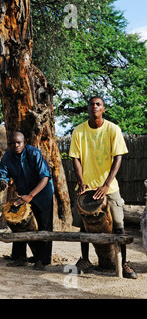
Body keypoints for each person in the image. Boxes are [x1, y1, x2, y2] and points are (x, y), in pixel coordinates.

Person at [69, 96, 137, 279]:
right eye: (91, 104)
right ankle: (84, 259)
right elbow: (75, 158)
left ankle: (124, 263)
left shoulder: (113, 129)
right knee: (83, 226)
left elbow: (118, 157)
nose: (94, 107)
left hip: (109, 187)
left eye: (98, 104)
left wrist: (106, 185)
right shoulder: (79, 131)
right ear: (88, 109)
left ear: (104, 109)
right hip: (87, 188)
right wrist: (81, 181)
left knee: (119, 226)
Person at [0, 131, 54, 270]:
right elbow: (2, 174)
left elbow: (45, 177)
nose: (16, 145)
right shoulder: (7, 156)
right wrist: (3, 182)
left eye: (18, 142)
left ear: (24, 142)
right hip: (24, 194)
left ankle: (42, 260)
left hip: (42, 193)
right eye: (12, 143)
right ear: (9, 144)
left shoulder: (34, 153)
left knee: (43, 226)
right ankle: (19, 257)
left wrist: (31, 195)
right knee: (18, 223)